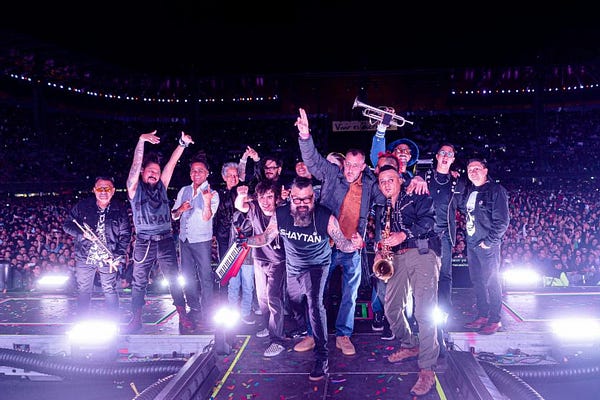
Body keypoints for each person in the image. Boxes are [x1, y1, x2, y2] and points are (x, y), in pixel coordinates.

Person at [242, 177, 364, 381]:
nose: (302, 204)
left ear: (313, 197)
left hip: (317, 266)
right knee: (296, 303)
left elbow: (342, 244)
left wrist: (356, 245)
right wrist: (245, 241)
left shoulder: (325, 217)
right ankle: (310, 334)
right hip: (294, 268)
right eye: (297, 199)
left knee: (315, 306)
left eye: (306, 199)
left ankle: (322, 357)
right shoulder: (281, 214)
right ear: (290, 197)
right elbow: (266, 237)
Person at [297, 107, 385, 357]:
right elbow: (313, 160)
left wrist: (412, 181)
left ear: (362, 166)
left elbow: (389, 194)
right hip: (324, 246)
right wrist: (305, 136)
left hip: (352, 247)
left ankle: (343, 335)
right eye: (348, 164)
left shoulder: (370, 184)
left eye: (356, 165)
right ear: (344, 163)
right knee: (316, 293)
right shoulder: (332, 174)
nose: (350, 169)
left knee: (350, 294)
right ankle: (312, 334)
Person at [374, 165, 441, 397]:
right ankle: (411, 344)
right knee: (391, 308)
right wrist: (380, 250)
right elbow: (385, 237)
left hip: (422, 252)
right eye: (382, 181)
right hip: (397, 257)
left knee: (424, 311)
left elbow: (430, 221)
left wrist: (403, 234)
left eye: (390, 179)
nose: (386, 184)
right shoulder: (383, 208)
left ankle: (427, 368)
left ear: (401, 180)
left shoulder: (416, 194)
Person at [124, 130, 195, 334]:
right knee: (139, 282)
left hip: (165, 240)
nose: (154, 174)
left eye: (156, 171)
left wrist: (182, 144)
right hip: (144, 242)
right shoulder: (134, 190)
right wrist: (141, 141)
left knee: (174, 279)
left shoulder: (162, 186)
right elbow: (135, 165)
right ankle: (136, 318)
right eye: (150, 171)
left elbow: (171, 164)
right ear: (142, 172)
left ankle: (182, 314)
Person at [63, 176, 131, 318]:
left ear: (113, 191)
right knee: (84, 290)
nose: (103, 192)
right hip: (85, 256)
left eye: (107, 188)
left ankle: (113, 320)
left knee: (110, 289)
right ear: (94, 190)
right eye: (100, 189)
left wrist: (118, 255)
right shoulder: (83, 206)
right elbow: (67, 225)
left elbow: (125, 234)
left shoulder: (120, 209)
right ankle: (82, 320)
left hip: (109, 257)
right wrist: (82, 234)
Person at [421, 144, 466, 349]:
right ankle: (422, 316)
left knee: (445, 275)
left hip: (445, 235)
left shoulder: (458, 181)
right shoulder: (424, 177)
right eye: (443, 153)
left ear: (453, 159)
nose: (446, 156)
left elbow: (464, 205)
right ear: (437, 156)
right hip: (425, 234)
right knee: (425, 276)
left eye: (450, 154)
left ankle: (444, 313)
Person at [235, 180, 287, 357]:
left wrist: (246, 241)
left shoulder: (281, 212)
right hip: (259, 259)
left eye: (269, 197)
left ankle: (277, 340)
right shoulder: (254, 208)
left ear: (276, 198)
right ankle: (268, 326)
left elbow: (265, 238)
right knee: (262, 299)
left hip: (278, 261)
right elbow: (240, 206)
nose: (265, 201)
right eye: (261, 197)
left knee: (273, 299)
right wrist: (241, 195)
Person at [460, 158, 509, 335]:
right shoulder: (470, 191)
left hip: (487, 244)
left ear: (485, 170)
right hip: (472, 243)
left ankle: (495, 319)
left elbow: (502, 221)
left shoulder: (496, 190)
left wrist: (489, 242)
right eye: (470, 169)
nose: (473, 172)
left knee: (491, 282)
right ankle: (482, 314)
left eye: (477, 168)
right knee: (477, 281)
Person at [172, 153, 220, 326]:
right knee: (187, 276)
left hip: (201, 241)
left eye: (200, 170)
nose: (196, 173)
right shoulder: (183, 190)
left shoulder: (212, 193)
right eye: (193, 170)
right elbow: (174, 214)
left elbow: (207, 218)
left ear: (207, 173)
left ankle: (207, 311)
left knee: (205, 276)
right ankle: (194, 307)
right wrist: (180, 209)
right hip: (184, 240)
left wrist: (206, 202)